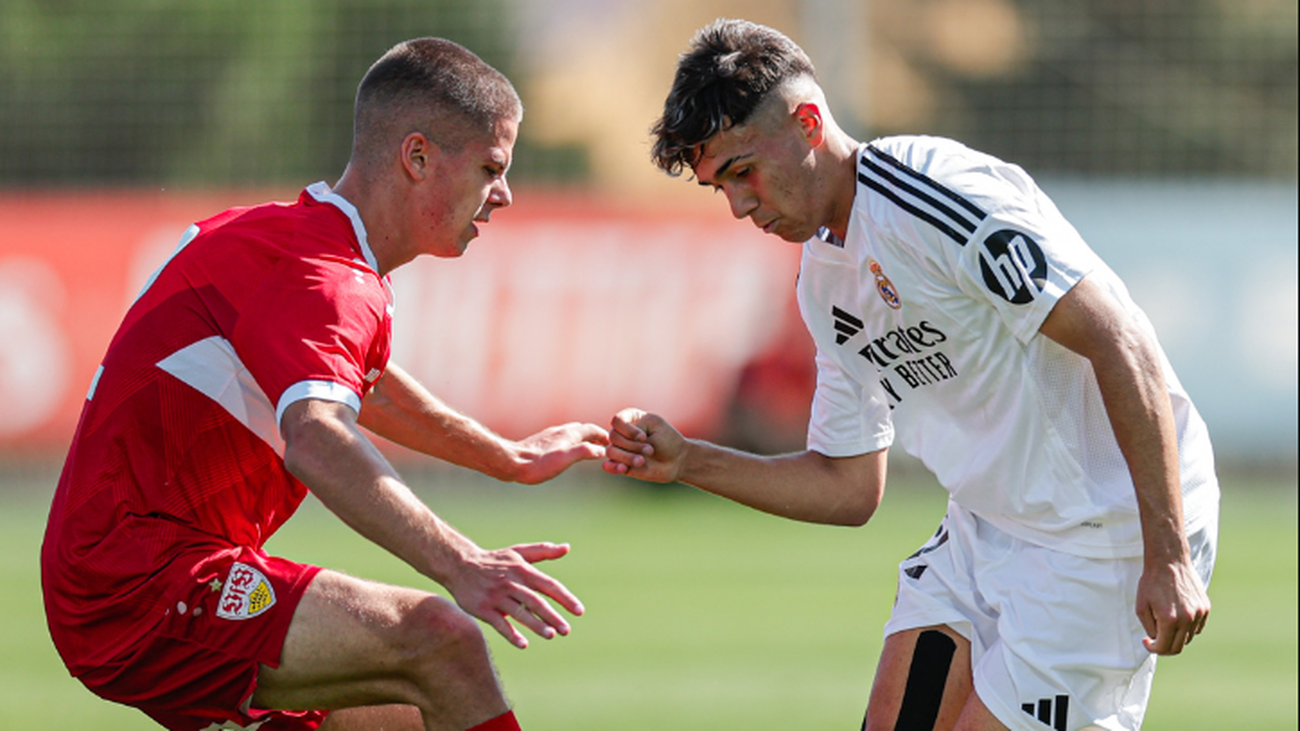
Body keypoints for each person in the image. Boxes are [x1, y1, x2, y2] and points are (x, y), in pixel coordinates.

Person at [604, 18, 1219, 731]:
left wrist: (1168, 552)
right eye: (720, 188)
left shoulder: (932, 197)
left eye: (744, 172)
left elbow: (1121, 340)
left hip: (1103, 534)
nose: (740, 205)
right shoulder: (822, 282)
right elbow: (847, 486)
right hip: (986, 529)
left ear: (808, 124)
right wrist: (688, 461)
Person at [42, 38, 610, 731]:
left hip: (137, 572)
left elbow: (364, 385)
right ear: (418, 157)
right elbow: (317, 436)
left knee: (409, 715)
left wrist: (506, 458)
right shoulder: (327, 277)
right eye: (491, 167)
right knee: (441, 640)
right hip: (139, 582)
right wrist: (461, 562)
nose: (504, 194)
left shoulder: (295, 245)